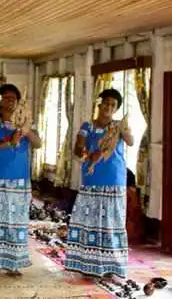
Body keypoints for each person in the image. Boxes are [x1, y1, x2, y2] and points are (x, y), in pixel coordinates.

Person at [64, 88, 133, 281]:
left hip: (114, 180)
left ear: (116, 108)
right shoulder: (88, 126)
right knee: (91, 222)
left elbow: (131, 141)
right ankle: (88, 264)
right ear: (99, 104)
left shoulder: (118, 126)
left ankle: (113, 266)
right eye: (106, 103)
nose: (108, 108)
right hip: (92, 180)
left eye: (113, 105)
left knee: (112, 223)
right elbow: (78, 150)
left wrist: (122, 129)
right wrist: (87, 154)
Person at [0, 84, 42, 278]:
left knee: (16, 223)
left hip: (19, 182)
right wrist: (8, 142)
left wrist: (26, 130)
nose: (10, 100)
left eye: (14, 97)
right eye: (5, 97)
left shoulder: (26, 121)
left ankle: (14, 264)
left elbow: (38, 143)